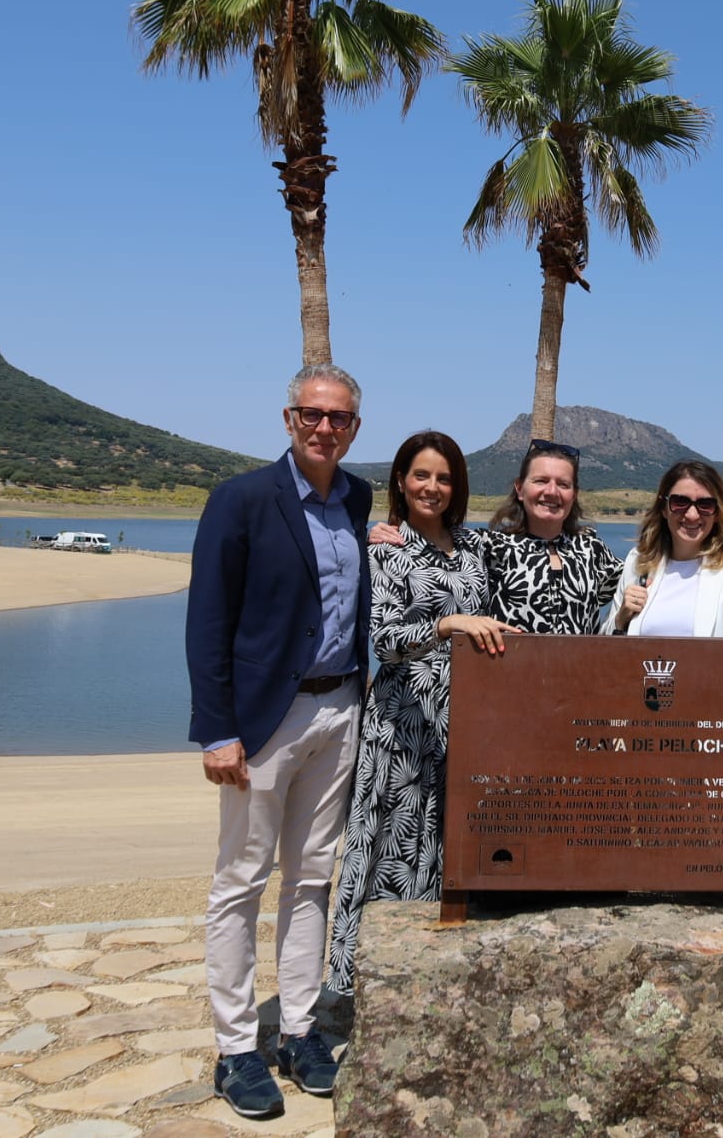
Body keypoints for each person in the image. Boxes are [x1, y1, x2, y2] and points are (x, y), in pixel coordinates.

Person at [186, 363, 371, 1119]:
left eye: (340, 418)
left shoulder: (359, 498)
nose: (326, 427)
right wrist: (217, 729)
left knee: (310, 879)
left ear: (354, 427)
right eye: (313, 414)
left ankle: (296, 1029)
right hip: (264, 721)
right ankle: (236, 1046)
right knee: (241, 880)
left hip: (339, 710)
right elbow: (208, 621)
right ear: (289, 418)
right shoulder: (240, 500)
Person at [325, 431, 518, 998]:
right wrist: (445, 625)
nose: (432, 487)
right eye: (421, 476)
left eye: (444, 477)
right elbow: (381, 640)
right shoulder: (385, 548)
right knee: (391, 851)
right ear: (401, 483)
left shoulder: (475, 547)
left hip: (464, 726)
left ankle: (430, 985)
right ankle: (360, 986)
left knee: (446, 856)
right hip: (403, 727)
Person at [603, 460, 723, 638]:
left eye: (705, 505)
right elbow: (605, 647)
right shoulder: (638, 561)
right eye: (680, 502)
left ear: (717, 512)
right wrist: (620, 619)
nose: (692, 515)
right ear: (664, 508)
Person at [481, 439, 622, 634]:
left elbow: (636, 582)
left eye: (563, 484)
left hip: (581, 664)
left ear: (574, 495)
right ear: (520, 488)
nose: (552, 492)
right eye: (541, 481)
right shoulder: (491, 548)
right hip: (510, 664)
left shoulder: (590, 549)